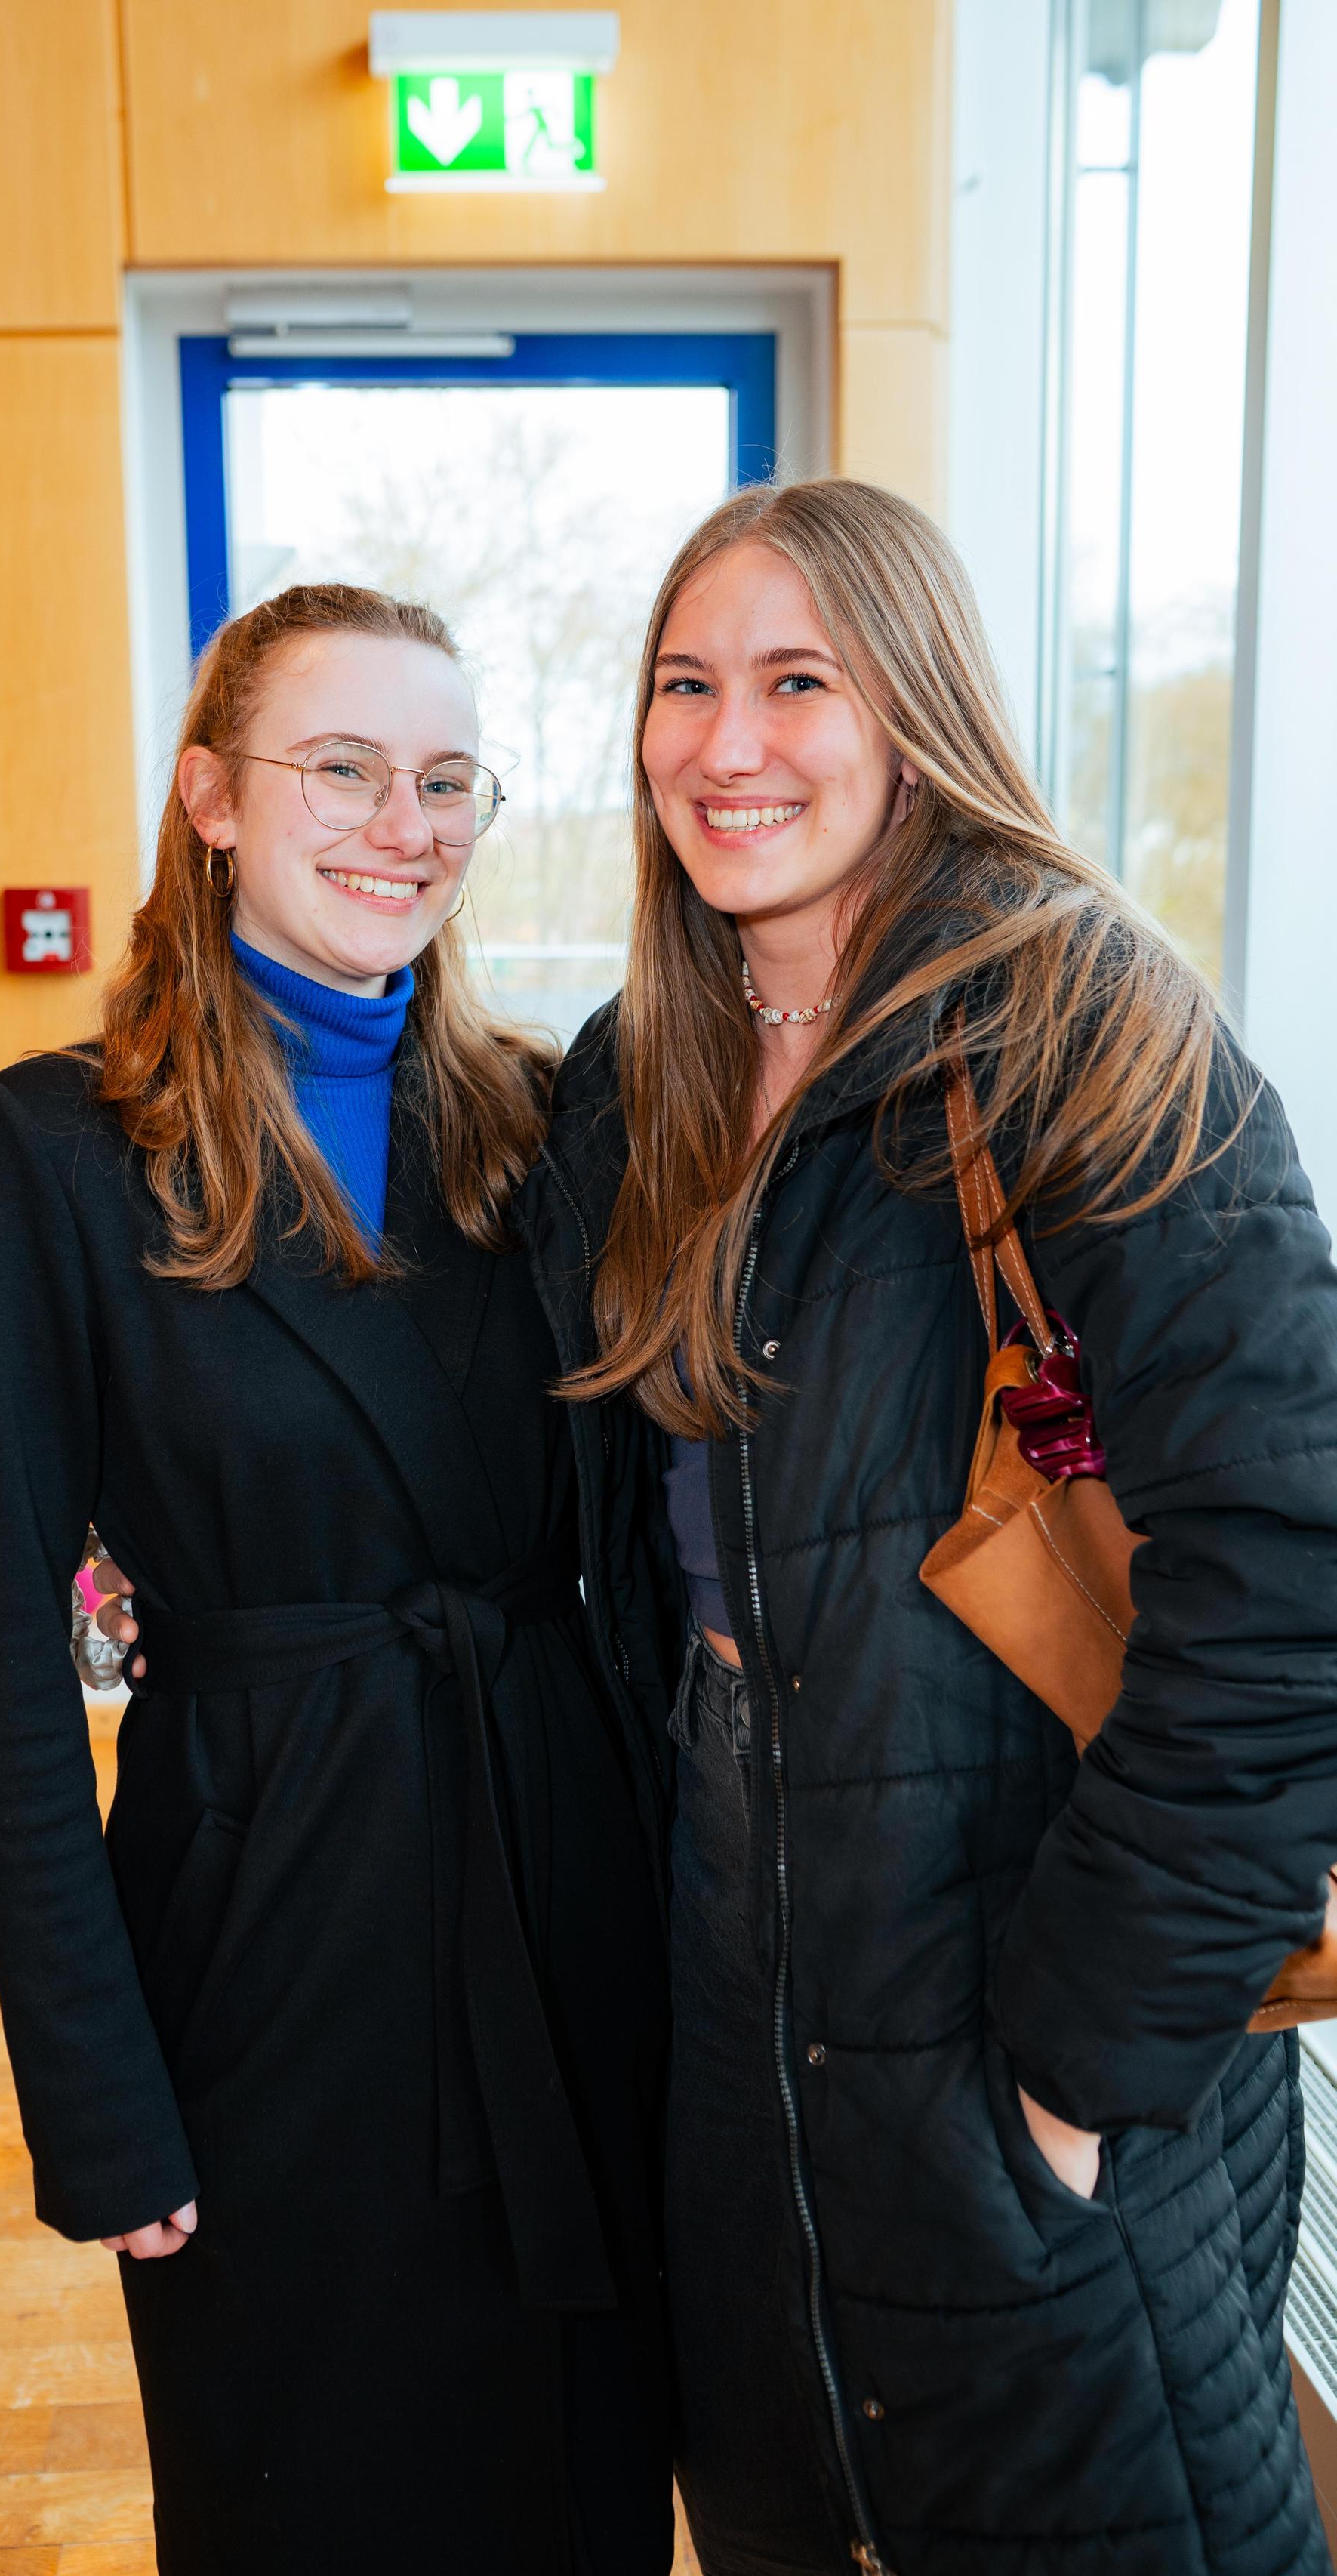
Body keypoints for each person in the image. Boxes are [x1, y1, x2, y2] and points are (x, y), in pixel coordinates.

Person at [514, 480, 1337, 2575]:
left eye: (801, 682)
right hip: (746, 2011)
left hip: (1036, 2023)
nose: (728, 743)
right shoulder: (644, 1077)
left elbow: (1294, 1569)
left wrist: (1077, 2071)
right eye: (684, 685)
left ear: (919, 710)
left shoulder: (1081, 1023)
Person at [0, 584, 673, 2576]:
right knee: (312, 2495)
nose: (399, 820)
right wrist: (94, 2096)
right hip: (266, 1933)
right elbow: (2, 1672)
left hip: (556, 1879)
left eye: (445, 779)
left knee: (577, 2487)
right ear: (214, 799)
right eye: (340, 766)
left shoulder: (540, 1123)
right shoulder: (60, 1157)